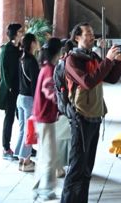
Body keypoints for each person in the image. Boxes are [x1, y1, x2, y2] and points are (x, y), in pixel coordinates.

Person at [61, 23, 121, 203]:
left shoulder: (93, 57)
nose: (92, 37)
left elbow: (111, 78)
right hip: (80, 117)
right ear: (77, 38)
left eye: (92, 34)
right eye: (87, 34)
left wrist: (118, 61)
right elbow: (88, 81)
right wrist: (107, 60)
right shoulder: (72, 60)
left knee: (87, 168)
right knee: (76, 168)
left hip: (95, 115)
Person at [33, 37, 64, 201]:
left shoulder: (46, 67)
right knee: (49, 156)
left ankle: (38, 186)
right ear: (58, 52)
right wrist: (65, 104)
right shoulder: (49, 70)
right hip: (45, 118)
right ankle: (46, 189)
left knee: (45, 154)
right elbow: (51, 94)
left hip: (43, 116)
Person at [0, 22, 24, 160]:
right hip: (10, 90)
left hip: (19, 89)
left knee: (22, 118)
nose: (22, 34)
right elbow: (3, 70)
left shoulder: (18, 49)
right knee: (9, 118)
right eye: (20, 32)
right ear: (14, 34)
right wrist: (9, 87)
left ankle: (25, 146)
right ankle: (6, 148)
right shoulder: (6, 50)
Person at [15, 33, 40, 173]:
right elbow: (35, 85)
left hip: (21, 97)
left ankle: (20, 158)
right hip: (29, 99)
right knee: (29, 131)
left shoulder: (22, 59)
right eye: (36, 41)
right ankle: (27, 161)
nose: (37, 43)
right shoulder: (31, 61)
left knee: (23, 130)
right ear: (31, 44)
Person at [53, 40, 75, 180]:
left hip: (61, 106)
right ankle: (58, 167)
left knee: (63, 138)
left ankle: (61, 166)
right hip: (64, 106)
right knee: (63, 139)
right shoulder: (63, 65)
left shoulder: (58, 65)